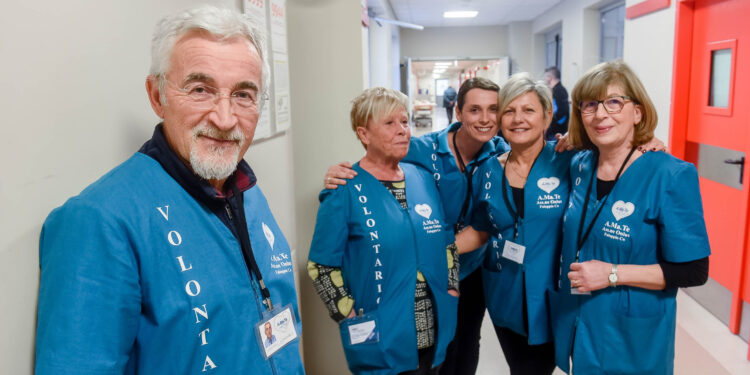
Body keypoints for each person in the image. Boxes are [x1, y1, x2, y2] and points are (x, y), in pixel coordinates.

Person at [35, 6, 304, 375]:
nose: (225, 119)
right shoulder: (99, 222)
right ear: (157, 95)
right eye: (200, 90)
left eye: (243, 94)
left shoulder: (245, 191)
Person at [324, 77, 509, 375]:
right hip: (409, 275)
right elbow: (376, 162)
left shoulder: (501, 154)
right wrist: (340, 174)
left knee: (462, 342)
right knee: (418, 351)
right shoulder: (421, 152)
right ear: (457, 112)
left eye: (493, 110)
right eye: (475, 110)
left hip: (468, 268)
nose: (485, 118)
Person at [549, 60, 710, 375]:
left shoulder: (670, 174)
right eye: (590, 104)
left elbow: (694, 271)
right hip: (580, 326)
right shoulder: (579, 164)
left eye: (614, 102)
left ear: (637, 112)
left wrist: (612, 274)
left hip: (632, 337)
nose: (600, 114)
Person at [468, 72, 574, 374]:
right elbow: (480, 229)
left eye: (528, 110)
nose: (518, 119)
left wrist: (647, 143)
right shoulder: (487, 169)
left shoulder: (571, 162)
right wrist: (438, 251)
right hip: (506, 294)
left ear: (547, 115)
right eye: (509, 111)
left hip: (554, 296)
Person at [544, 67, 569, 141]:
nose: (545, 79)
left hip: (556, 132)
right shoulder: (560, 89)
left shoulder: (557, 91)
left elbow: (561, 112)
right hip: (558, 129)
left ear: (550, 77)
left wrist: (549, 125)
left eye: (546, 76)